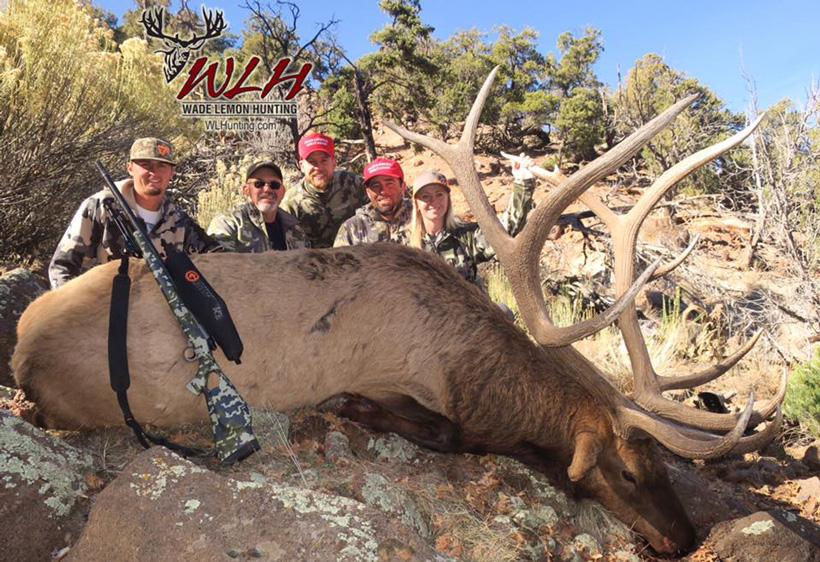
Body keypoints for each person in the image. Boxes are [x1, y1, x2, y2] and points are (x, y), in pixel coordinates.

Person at [48, 137, 219, 289]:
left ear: (172, 173)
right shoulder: (101, 206)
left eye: (162, 165)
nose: (154, 172)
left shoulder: (179, 220)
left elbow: (218, 258)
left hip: (155, 316)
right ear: (130, 168)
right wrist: (77, 315)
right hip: (101, 311)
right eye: (146, 165)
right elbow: (61, 268)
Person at [408, 156, 536, 290]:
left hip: (466, 310)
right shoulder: (405, 242)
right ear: (416, 203)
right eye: (425, 196)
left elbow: (505, 230)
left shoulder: (466, 236)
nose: (433, 201)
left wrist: (523, 183)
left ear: (448, 199)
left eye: (439, 194)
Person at [280, 132, 367, 248]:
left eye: (324, 161)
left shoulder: (353, 183)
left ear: (334, 162)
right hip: (316, 263)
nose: (318, 168)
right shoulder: (291, 203)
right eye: (312, 162)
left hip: (356, 257)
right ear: (301, 166)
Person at [207, 157, 309, 252]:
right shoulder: (229, 224)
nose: (267, 189)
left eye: (274, 185)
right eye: (259, 184)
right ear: (246, 190)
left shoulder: (296, 229)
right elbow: (218, 264)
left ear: (282, 191)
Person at [333, 157, 412, 247]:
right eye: (375, 185)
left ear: (403, 187)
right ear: (368, 192)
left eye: (389, 184)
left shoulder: (420, 217)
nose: (383, 191)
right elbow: (339, 260)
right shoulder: (352, 228)